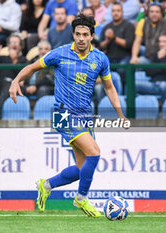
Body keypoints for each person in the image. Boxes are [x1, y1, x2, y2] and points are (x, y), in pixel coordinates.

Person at [9, 13, 129, 217]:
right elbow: (32, 67)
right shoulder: (60, 54)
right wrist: (16, 81)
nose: (81, 38)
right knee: (94, 152)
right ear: (73, 34)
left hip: (84, 115)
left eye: (85, 34)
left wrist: (120, 115)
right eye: (77, 34)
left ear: (92, 36)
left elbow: (109, 87)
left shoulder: (100, 59)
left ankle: (46, 185)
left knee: (83, 169)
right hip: (63, 114)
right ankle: (81, 198)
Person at [0, 33, 27, 119]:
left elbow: (23, 77)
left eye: (16, 42)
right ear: (8, 45)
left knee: (9, 84)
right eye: (12, 42)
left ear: (20, 46)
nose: (13, 44)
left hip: (16, 87)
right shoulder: (2, 58)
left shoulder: (24, 60)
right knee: (5, 83)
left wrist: (15, 60)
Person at [137, 32, 166, 101]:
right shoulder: (157, 55)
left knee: (163, 85)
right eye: (160, 42)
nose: (161, 44)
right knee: (133, 85)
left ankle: (165, 109)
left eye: (164, 42)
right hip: (154, 84)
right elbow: (149, 72)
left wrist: (162, 59)